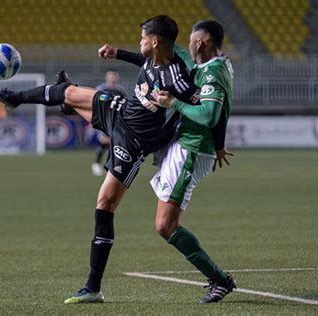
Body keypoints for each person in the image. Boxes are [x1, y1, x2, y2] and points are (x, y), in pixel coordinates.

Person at [0, 15, 201, 304]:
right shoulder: (154, 59)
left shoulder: (177, 78)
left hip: (132, 143)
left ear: (155, 41)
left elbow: (200, 107)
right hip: (121, 112)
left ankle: (93, 287)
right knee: (66, 91)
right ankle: (12, 97)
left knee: (105, 204)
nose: (139, 42)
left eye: (142, 38)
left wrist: (193, 128)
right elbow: (142, 61)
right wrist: (117, 53)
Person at [100, 20, 235, 303]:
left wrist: (173, 103)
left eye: (189, 40)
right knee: (165, 224)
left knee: (165, 225)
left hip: (192, 150)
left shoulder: (212, 75)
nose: (184, 46)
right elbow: (155, 59)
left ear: (200, 43)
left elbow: (210, 116)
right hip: (184, 145)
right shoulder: (205, 65)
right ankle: (219, 279)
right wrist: (118, 53)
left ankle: (220, 279)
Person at [92, 70, 127, 176]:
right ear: (107, 77)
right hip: (103, 119)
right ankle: (97, 164)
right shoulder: (101, 89)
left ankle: (111, 166)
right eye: (111, 75)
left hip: (116, 121)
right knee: (105, 141)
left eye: (114, 75)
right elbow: (94, 102)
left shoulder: (121, 91)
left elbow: (125, 105)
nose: (113, 77)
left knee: (114, 143)